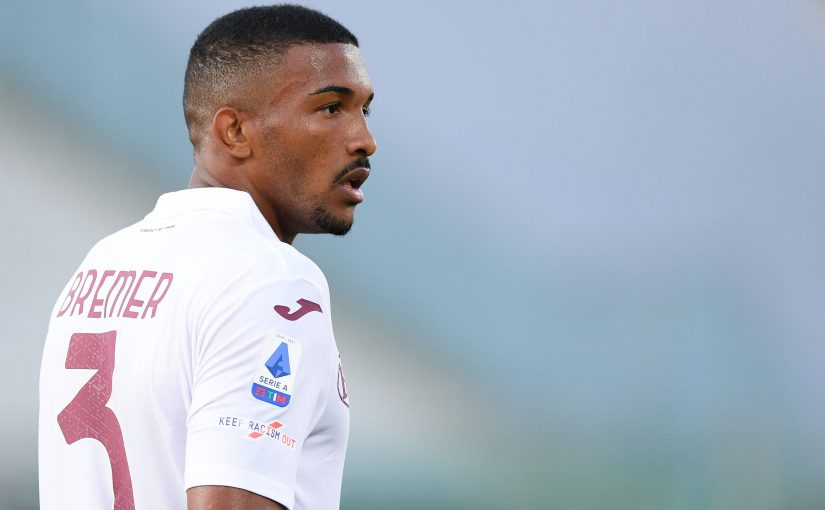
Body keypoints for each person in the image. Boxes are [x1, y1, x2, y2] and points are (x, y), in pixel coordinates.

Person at [38, 5, 376, 510]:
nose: (365, 140)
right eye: (331, 108)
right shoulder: (271, 281)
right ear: (234, 132)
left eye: (365, 110)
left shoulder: (101, 264)